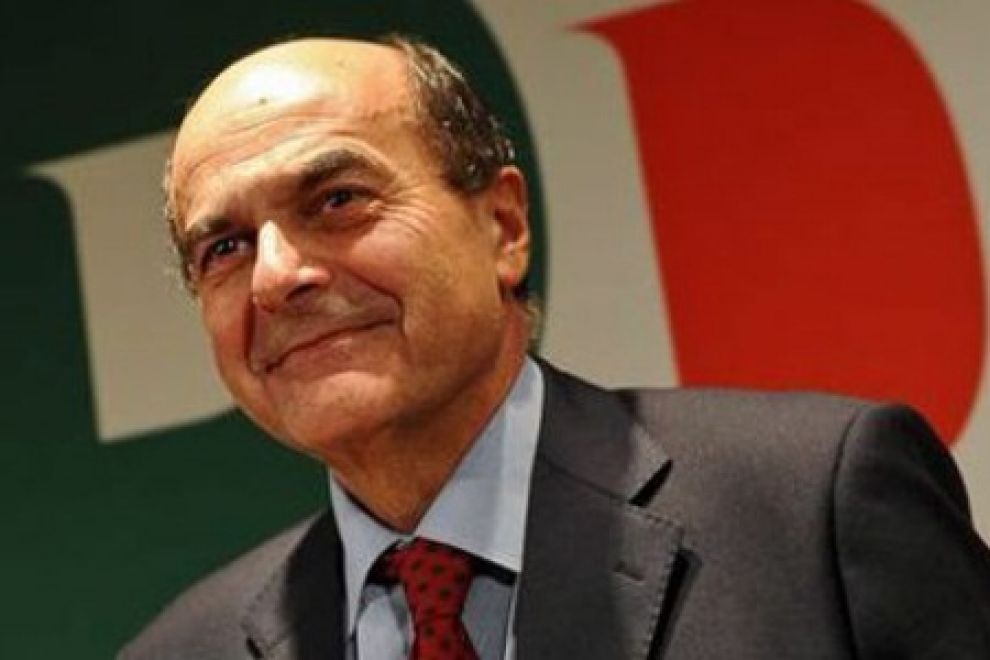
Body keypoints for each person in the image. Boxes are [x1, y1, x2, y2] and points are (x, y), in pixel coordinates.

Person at [121, 35, 990, 660]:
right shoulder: (181, 650)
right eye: (224, 248)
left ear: (502, 227)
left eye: (338, 200)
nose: (277, 276)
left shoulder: (810, 506)